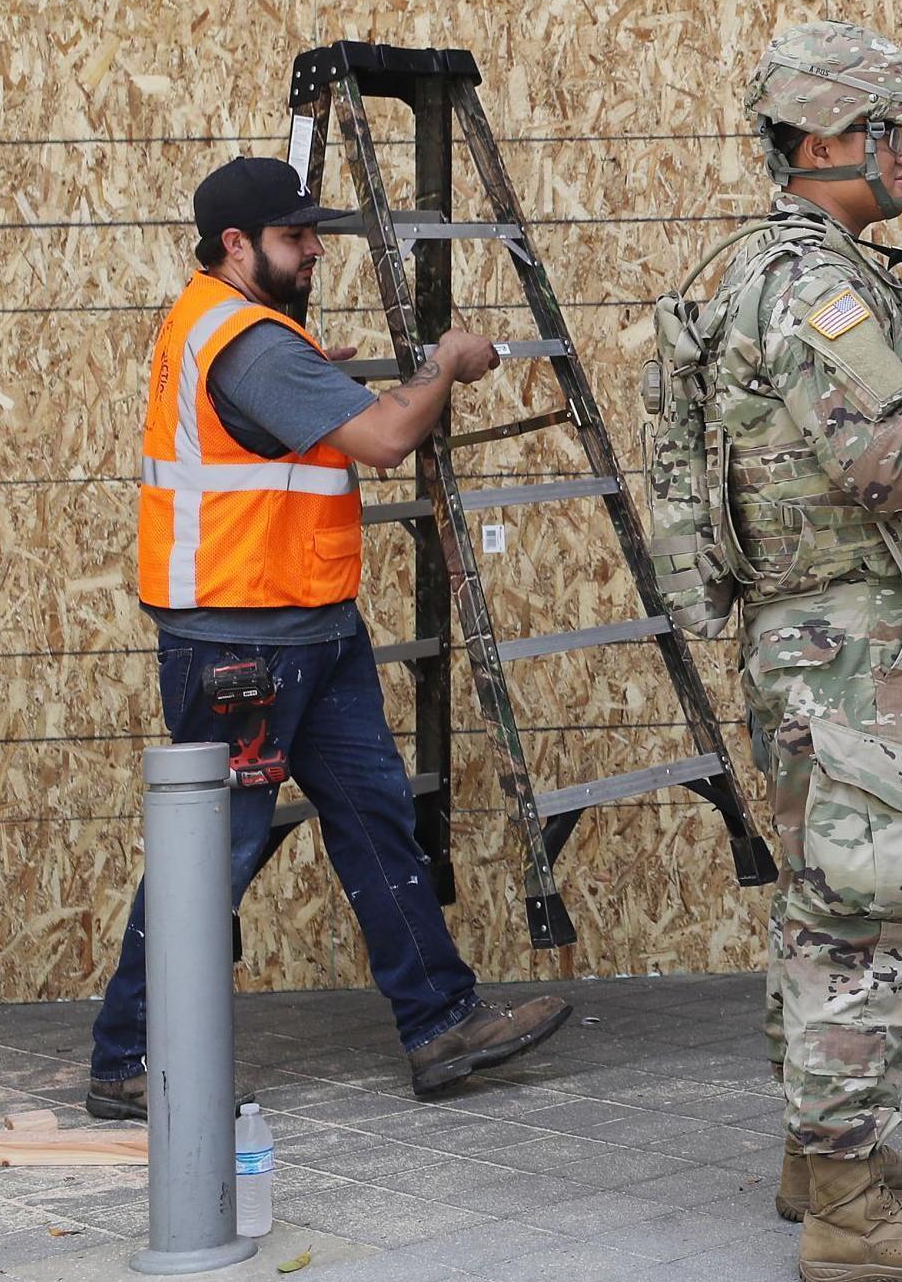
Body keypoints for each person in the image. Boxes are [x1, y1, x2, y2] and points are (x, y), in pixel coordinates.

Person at [90, 155, 570, 1117]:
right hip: (245, 643)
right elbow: (388, 440)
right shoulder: (249, 344)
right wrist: (444, 363)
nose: (314, 251)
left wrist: (335, 380)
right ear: (237, 244)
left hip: (306, 626)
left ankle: (441, 1023)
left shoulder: (248, 329)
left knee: (372, 816)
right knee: (214, 846)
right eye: (295, 237)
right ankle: (127, 1056)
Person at [700, 21, 902, 1281]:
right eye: (888, 127)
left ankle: (820, 1155)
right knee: (874, 909)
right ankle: (849, 1214)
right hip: (850, 644)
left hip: (819, 637)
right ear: (828, 141)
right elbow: (883, 458)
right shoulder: (812, 285)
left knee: (827, 899)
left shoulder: (789, 266)